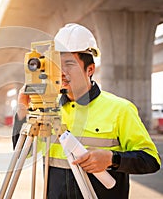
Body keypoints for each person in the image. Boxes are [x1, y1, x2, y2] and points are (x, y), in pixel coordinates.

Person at [12, 23, 161, 199]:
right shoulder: (48, 110)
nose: (61, 72)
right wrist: (22, 109)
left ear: (90, 69)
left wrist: (112, 159)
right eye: (56, 64)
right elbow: (22, 152)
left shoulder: (120, 109)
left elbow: (151, 161)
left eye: (69, 64)